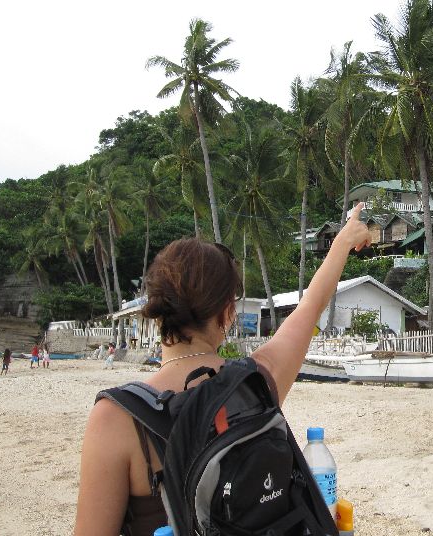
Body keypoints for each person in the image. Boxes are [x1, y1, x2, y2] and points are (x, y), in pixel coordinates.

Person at [74, 203, 370, 536]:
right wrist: (343, 241)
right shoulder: (256, 383)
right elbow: (311, 305)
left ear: (157, 312)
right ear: (227, 312)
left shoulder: (116, 418)